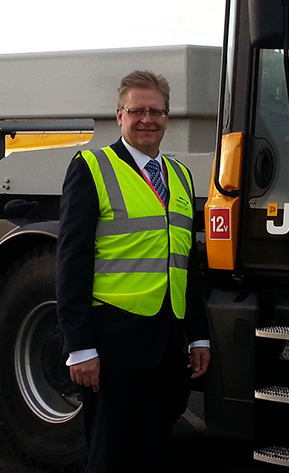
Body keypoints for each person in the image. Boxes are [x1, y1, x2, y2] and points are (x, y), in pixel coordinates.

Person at [56, 70, 210, 473]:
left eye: (156, 111)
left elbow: (185, 264)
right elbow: (71, 261)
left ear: (167, 117)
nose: (147, 119)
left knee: (154, 451)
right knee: (109, 454)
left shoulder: (179, 175)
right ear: (119, 115)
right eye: (136, 110)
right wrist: (80, 347)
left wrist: (198, 335)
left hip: (166, 342)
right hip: (113, 342)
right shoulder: (93, 166)